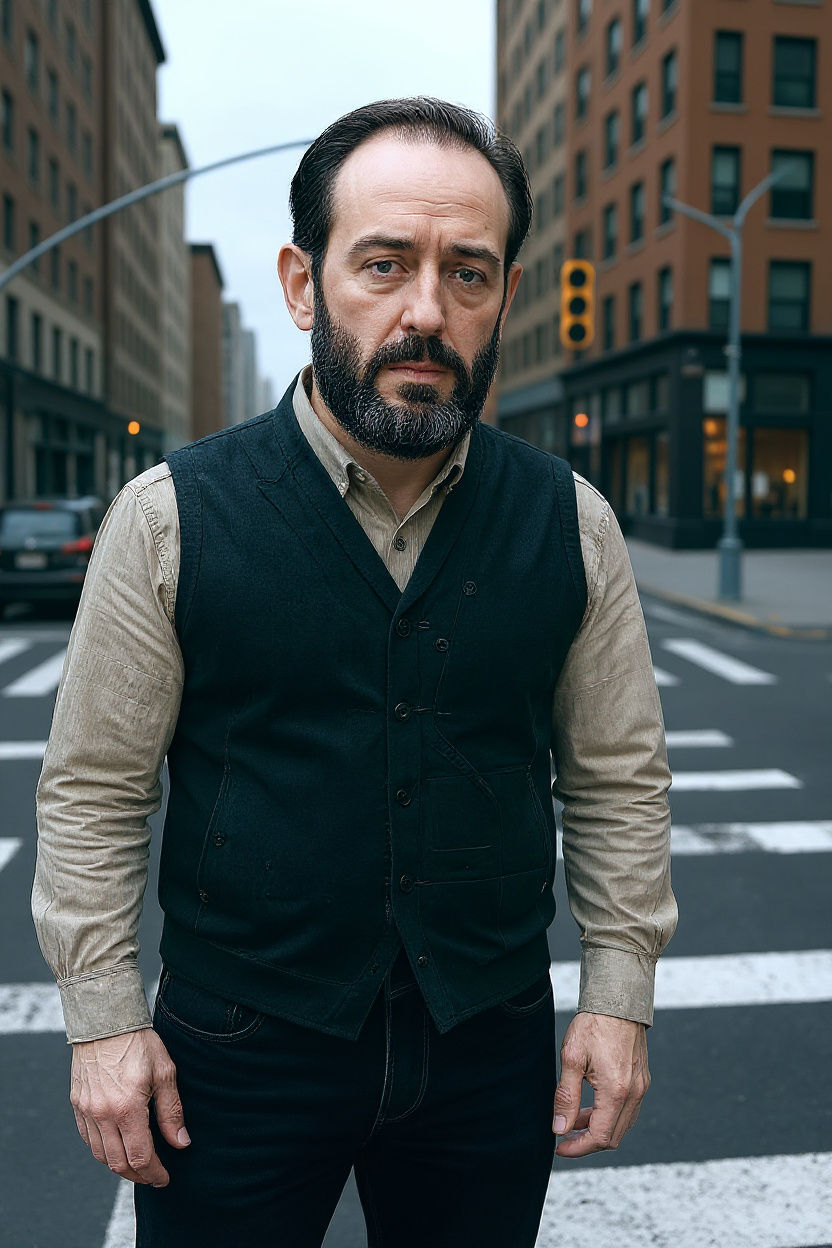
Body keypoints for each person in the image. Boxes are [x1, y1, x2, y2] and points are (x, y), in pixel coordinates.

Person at [33, 98, 677, 1248]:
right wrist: (102, 1025)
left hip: (488, 1047)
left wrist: (617, 1002)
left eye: (466, 274)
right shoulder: (170, 518)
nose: (425, 312)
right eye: (383, 264)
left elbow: (618, 781)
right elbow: (93, 790)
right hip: (232, 1053)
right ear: (301, 282)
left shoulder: (572, 525)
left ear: (504, 299)